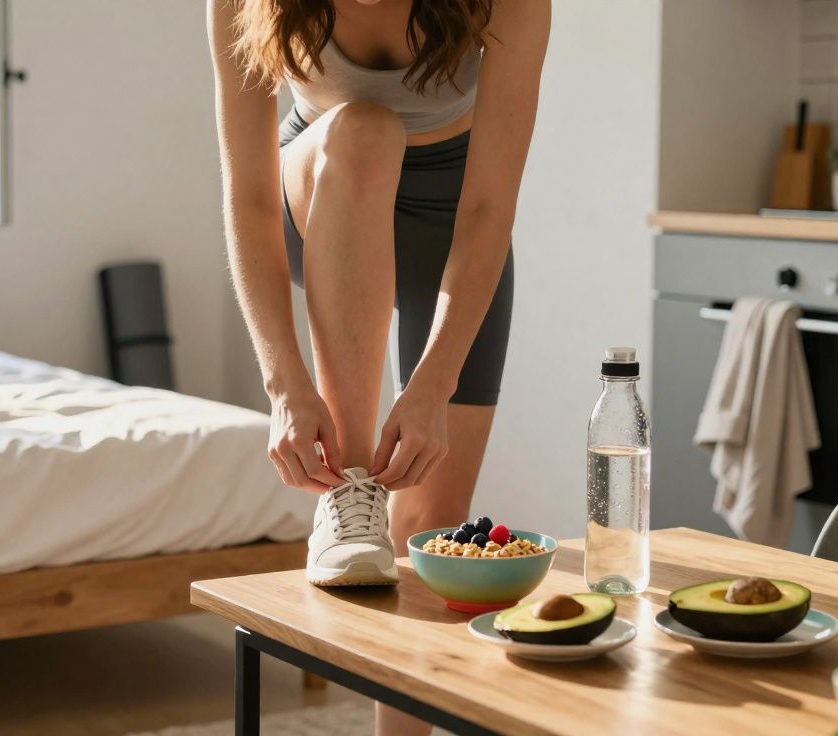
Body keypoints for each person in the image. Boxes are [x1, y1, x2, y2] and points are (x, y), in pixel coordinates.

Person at [207, 2, 547, 730]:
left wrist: (434, 385)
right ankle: (349, 495)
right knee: (365, 129)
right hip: (319, 189)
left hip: (457, 216)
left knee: (432, 534)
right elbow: (251, 197)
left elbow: (490, 206)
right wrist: (284, 383)